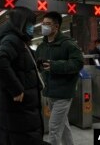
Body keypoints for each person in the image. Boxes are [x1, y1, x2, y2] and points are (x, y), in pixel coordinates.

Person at [0, 7, 46, 145]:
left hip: (21, 109)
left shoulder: (20, 41)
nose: (32, 27)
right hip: (19, 109)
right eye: (30, 24)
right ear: (20, 22)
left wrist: (35, 64)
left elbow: (19, 64)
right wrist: (16, 88)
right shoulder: (12, 39)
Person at [35, 11, 84, 145]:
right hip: (50, 93)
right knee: (63, 125)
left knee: (54, 128)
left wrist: (54, 66)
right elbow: (38, 65)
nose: (44, 26)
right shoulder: (42, 46)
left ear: (56, 26)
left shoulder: (68, 44)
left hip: (63, 93)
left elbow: (78, 63)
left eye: (48, 24)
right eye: (43, 23)